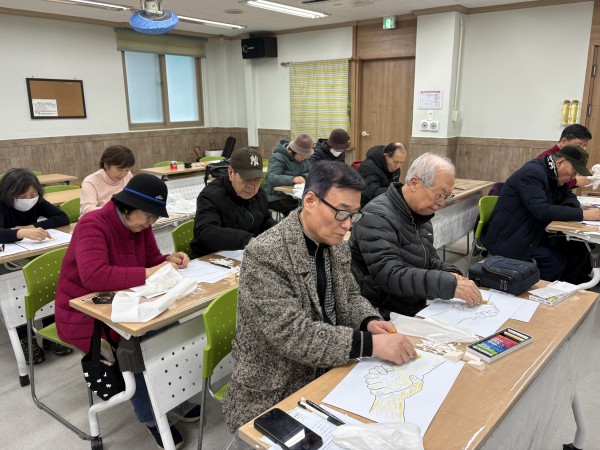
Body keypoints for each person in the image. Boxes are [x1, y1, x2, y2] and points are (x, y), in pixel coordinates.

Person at [221, 161, 417, 432]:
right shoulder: (266, 254)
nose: (347, 225)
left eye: (354, 215)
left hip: (327, 368)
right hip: (275, 389)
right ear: (310, 201)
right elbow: (294, 335)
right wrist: (371, 344)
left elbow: (349, 295)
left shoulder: (333, 243)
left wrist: (368, 321)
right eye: (341, 213)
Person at [54, 173, 195, 449]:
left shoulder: (140, 226)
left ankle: (172, 395)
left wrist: (168, 259)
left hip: (125, 300)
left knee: (169, 327)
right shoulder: (92, 224)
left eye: (154, 218)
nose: (151, 223)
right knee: (137, 343)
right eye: (148, 216)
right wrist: (149, 272)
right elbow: (94, 276)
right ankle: (152, 416)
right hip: (85, 313)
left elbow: (151, 260)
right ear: (129, 206)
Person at [350, 153, 482, 318]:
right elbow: (390, 275)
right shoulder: (377, 216)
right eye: (439, 195)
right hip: (379, 312)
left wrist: (451, 273)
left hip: (409, 305)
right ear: (414, 183)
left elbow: (427, 258)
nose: (442, 203)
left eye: (447, 196)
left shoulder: (420, 213)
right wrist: (447, 283)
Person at [481, 146, 600, 284]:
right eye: (574, 171)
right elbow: (542, 211)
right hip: (511, 236)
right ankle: (537, 292)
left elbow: (569, 197)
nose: (574, 177)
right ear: (560, 162)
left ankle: (567, 286)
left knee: (579, 249)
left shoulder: (556, 174)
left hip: (534, 230)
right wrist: (583, 214)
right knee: (555, 261)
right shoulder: (532, 174)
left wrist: (568, 209)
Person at [0, 168, 71, 364]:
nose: (29, 199)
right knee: (17, 291)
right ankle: (25, 337)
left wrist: (31, 228)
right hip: (6, 262)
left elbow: (62, 217)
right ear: (8, 193)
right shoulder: (1, 203)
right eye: (22, 196)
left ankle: (49, 328)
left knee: (46, 281)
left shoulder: (36, 200)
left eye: (33, 195)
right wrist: (20, 233)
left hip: (30, 253)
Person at [190, 147, 277, 258]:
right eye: (246, 179)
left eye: (257, 180)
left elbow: (265, 220)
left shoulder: (259, 193)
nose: (251, 186)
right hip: (211, 258)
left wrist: (280, 231)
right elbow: (206, 231)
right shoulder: (210, 196)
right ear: (230, 172)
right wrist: (247, 240)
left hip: (245, 255)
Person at [265, 133, 313, 215]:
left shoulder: (303, 158)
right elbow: (272, 177)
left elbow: (311, 172)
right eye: (301, 156)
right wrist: (293, 179)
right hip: (276, 197)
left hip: (294, 196)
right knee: (299, 212)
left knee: (312, 206)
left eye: (306, 156)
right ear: (292, 150)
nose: (304, 158)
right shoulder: (278, 157)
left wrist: (303, 177)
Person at [80, 145, 135, 216]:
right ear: (106, 165)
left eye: (127, 170)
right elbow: (88, 210)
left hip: (122, 218)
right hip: (97, 219)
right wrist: (118, 210)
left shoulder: (128, 175)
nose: (123, 174)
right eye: (119, 170)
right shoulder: (90, 182)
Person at [538, 124, 592, 189]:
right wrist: (575, 181)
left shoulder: (571, 158)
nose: (581, 149)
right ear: (564, 141)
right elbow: (549, 184)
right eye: (579, 145)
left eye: (584, 146)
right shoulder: (547, 157)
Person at [358, 142, 407, 207]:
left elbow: (393, 187)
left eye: (401, 162)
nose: (398, 166)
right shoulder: (368, 167)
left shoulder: (395, 168)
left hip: (384, 203)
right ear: (385, 156)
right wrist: (398, 191)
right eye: (395, 162)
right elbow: (370, 193)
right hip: (366, 206)